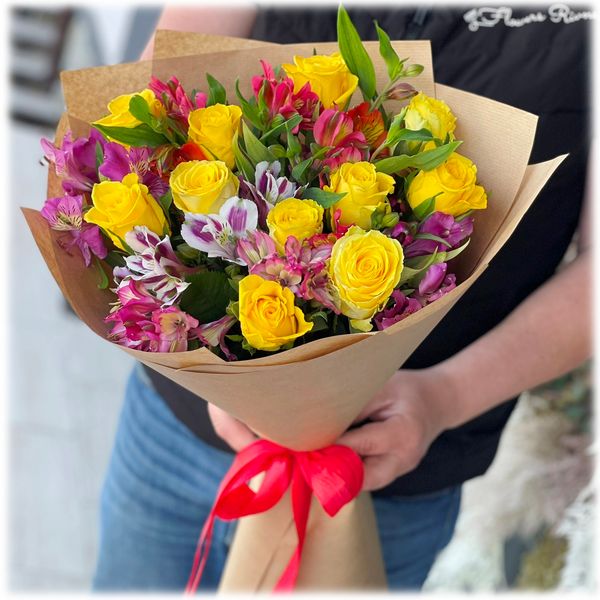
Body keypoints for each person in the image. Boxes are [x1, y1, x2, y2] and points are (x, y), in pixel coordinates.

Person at [92, 4, 592, 591]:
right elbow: (166, 79)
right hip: (178, 426)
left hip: (389, 474)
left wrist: (443, 398)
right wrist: (206, 349)